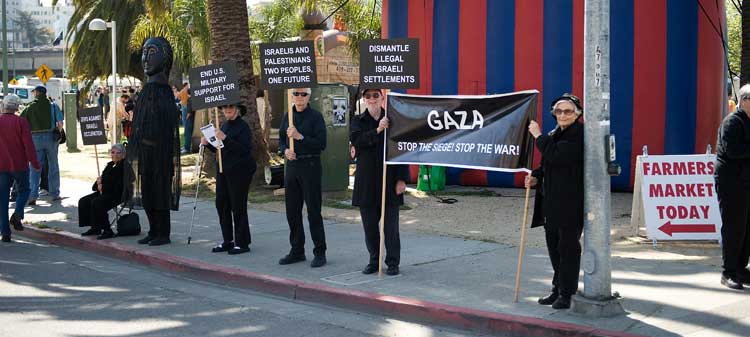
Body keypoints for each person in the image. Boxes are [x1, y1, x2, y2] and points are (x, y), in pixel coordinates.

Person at [526, 93, 584, 310]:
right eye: (558, 111)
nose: (562, 115)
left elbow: (559, 156)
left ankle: (567, 293)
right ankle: (557, 288)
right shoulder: (554, 133)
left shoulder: (579, 134)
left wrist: (538, 135)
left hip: (570, 202)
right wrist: (536, 175)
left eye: (568, 111)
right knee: (554, 247)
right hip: (551, 201)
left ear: (577, 114)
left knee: (568, 248)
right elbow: (549, 163)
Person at [127, 37, 182, 246]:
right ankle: (152, 229)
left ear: (165, 58)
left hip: (160, 154)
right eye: (144, 52)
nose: (146, 58)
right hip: (145, 153)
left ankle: (163, 233)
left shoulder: (163, 91)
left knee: (160, 193)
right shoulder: (146, 90)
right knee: (148, 192)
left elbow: (166, 124)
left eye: (152, 52)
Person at [350, 88, 408, 276]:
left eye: (376, 95)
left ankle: (392, 262)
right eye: (368, 96)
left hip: (389, 181)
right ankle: (374, 260)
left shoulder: (394, 120)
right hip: (366, 181)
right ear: (364, 99)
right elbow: (358, 141)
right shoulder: (358, 121)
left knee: (391, 227)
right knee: (369, 227)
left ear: (382, 98)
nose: (372, 99)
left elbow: (402, 149)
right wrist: (377, 130)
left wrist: (401, 179)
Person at [278, 87, 328, 268]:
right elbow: (282, 139)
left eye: (303, 94)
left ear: (309, 97)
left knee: (313, 210)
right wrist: (285, 150)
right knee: (292, 210)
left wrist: (300, 137)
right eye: (296, 94)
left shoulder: (316, 117)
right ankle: (297, 250)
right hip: (292, 166)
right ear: (291, 95)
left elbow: (321, 144)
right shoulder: (287, 116)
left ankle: (320, 251)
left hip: (310, 166)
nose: (299, 97)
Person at [201, 103, 256, 255]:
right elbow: (220, 147)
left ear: (238, 109)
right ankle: (228, 240)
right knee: (222, 204)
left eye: (231, 107)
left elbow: (243, 149)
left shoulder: (243, 127)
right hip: (223, 170)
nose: (227, 110)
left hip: (240, 170)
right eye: (224, 108)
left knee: (237, 205)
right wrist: (208, 144)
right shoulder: (223, 125)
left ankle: (242, 242)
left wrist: (225, 138)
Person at [714, 84, 750, 290]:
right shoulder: (732, 123)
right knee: (734, 226)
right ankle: (728, 272)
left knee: (747, 228)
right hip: (732, 182)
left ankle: (741, 268)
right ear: (744, 101)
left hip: (747, 181)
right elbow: (733, 151)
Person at [0, 94, 40, 243]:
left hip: (1, 166)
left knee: (2, 200)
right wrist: (35, 163)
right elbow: (28, 144)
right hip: (19, 164)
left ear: (4, 106)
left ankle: (5, 233)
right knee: (24, 191)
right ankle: (17, 213)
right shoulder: (21, 122)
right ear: (17, 107)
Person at [20, 85, 62, 205]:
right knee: (53, 165)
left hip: (35, 138)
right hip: (51, 138)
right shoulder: (53, 106)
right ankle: (55, 194)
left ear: (36, 93)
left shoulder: (30, 106)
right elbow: (60, 123)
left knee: (35, 166)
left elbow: (22, 120)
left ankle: (33, 195)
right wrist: (57, 134)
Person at [78, 144, 130, 240]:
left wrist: (103, 187)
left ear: (123, 155)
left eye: (118, 153)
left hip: (118, 194)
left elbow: (119, 186)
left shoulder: (125, 167)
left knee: (97, 202)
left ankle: (107, 230)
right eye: (113, 152)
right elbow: (100, 182)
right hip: (104, 192)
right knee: (84, 201)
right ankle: (95, 228)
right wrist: (98, 185)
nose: (115, 155)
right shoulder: (110, 165)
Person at [179, 83, 193, 154]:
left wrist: (187, 119)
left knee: (187, 133)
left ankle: (187, 148)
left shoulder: (190, 100)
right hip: (189, 119)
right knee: (187, 133)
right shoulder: (190, 99)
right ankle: (185, 147)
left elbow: (189, 112)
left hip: (189, 119)